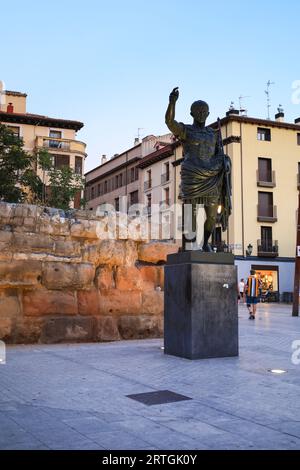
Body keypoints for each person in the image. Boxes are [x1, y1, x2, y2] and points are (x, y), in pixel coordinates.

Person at [165, 87, 232, 251]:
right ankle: (190, 244)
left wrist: (226, 161)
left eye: (204, 111)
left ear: (208, 114)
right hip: (193, 178)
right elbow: (170, 122)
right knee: (191, 216)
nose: (201, 113)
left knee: (211, 216)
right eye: (198, 111)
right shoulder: (186, 131)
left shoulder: (213, 134)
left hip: (211, 178)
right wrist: (172, 102)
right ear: (192, 113)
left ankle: (205, 243)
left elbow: (219, 154)